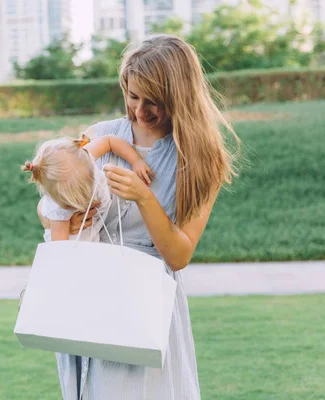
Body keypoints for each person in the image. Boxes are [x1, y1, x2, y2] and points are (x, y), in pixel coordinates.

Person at [37, 34, 240, 399]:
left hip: (143, 303)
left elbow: (178, 255)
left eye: (154, 101)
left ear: (179, 96)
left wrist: (144, 197)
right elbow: (51, 202)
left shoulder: (199, 159)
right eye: (132, 96)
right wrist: (64, 215)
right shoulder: (100, 136)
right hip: (88, 295)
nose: (139, 110)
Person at [23, 133, 153, 242]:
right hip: (79, 241)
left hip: (96, 222)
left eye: (88, 186)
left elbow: (109, 141)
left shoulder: (82, 159)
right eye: (75, 201)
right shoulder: (59, 213)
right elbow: (61, 254)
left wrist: (135, 160)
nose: (85, 197)